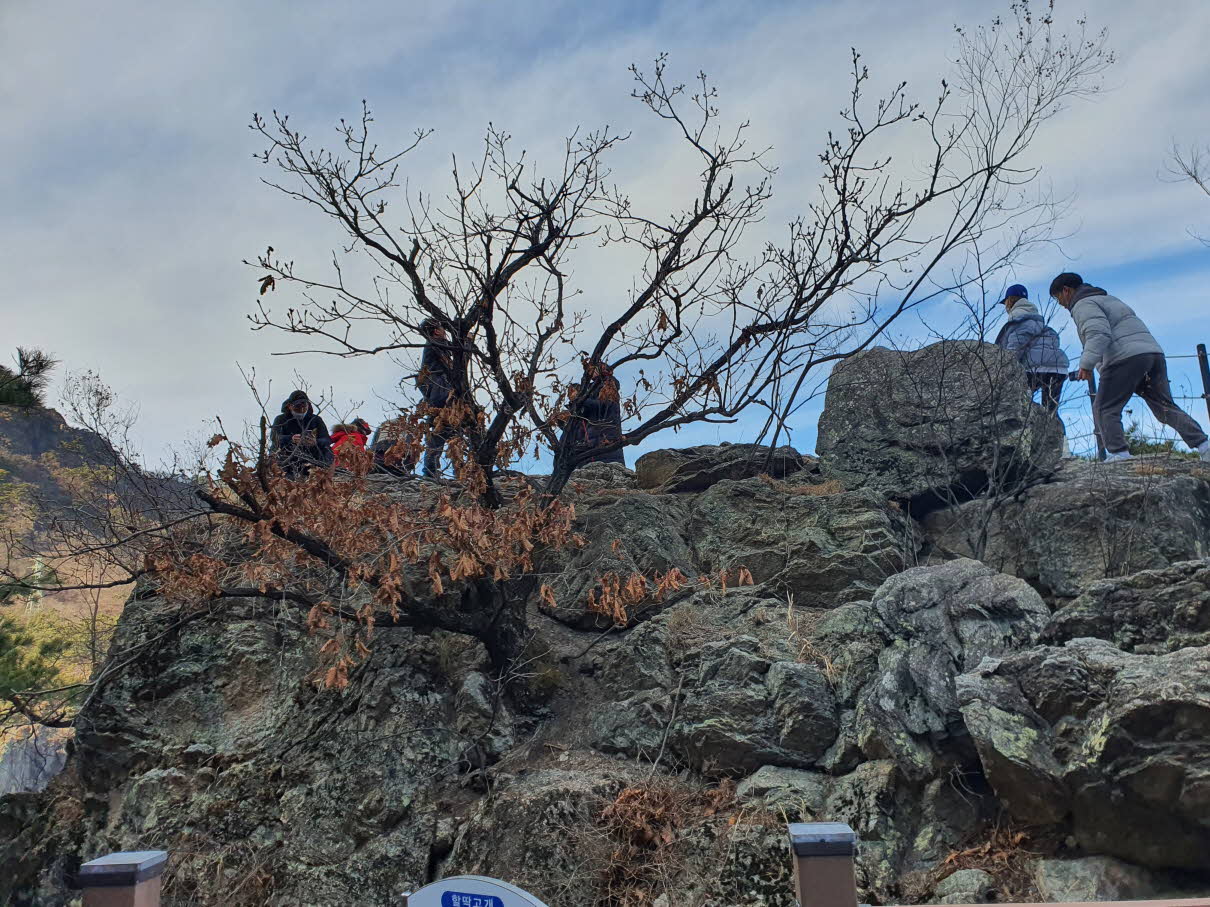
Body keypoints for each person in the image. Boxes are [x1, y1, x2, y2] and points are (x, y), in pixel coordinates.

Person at [1050, 272, 1210, 462]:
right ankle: (1204, 446)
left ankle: (1119, 454)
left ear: (1066, 290)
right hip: (1153, 354)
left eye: (1057, 298)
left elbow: (1098, 333)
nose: (1060, 304)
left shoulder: (1083, 304)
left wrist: (1086, 365)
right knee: (1164, 407)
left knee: (1104, 407)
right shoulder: (1109, 299)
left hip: (1123, 358)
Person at [992, 283, 1069, 414]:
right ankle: (1054, 427)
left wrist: (1001, 371)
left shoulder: (1019, 321)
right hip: (1058, 369)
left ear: (1009, 301)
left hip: (1034, 370)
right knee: (1050, 413)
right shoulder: (1041, 324)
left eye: (1005, 303)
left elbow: (1014, 351)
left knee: (1016, 405)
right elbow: (1055, 340)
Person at [416, 318, 456, 478]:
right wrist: (466, 340)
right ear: (436, 331)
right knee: (444, 431)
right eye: (442, 328)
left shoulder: (433, 347)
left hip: (438, 395)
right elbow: (458, 350)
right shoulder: (436, 344)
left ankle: (432, 470)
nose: (445, 331)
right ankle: (431, 470)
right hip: (442, 396)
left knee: (444, 433)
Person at [561, 374, 625, 468]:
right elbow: (568, 442)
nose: (570, 395)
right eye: (570, 393)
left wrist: (579, 399)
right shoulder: (578, 416)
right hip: (585, 463)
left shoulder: (605, 402)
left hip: (608, 458)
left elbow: (609, 384)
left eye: (573, 391)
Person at [270, 390, 333, 477]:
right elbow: (274, 438)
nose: (301, 410)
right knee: (275, 449)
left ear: (308, 406)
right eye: (297, 407)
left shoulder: (316, 420)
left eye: (304, 407)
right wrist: (290, 439)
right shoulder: (280, 419)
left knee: (327, 449)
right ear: (290, 406)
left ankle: (324, 471)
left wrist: (315, 442)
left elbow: (327, 440)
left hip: (311, 456)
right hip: (288, 456)